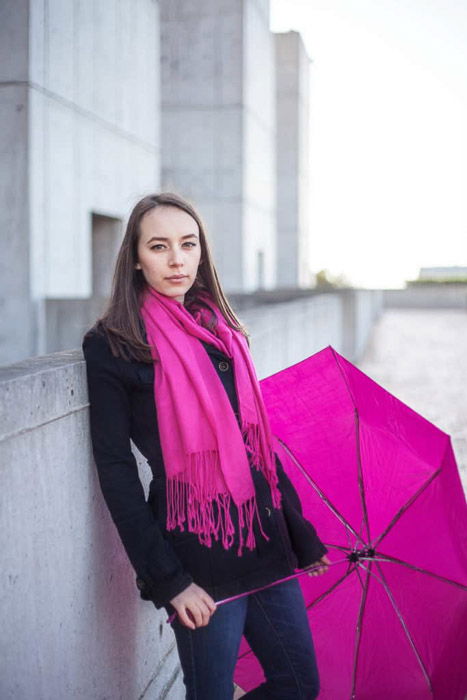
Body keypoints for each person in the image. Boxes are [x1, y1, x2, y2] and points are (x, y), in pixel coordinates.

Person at [82, 192, 330, 700]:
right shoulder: (113, 344)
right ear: (135, 256)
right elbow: (115, 469)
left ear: (202, 252)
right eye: (159, 246)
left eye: (187, 244)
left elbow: (257, 444)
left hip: (264, 542)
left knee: (300, 685)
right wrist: (169, 581)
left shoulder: (223, 331)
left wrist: (299, 532)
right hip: (197, 556)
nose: (176, 259)